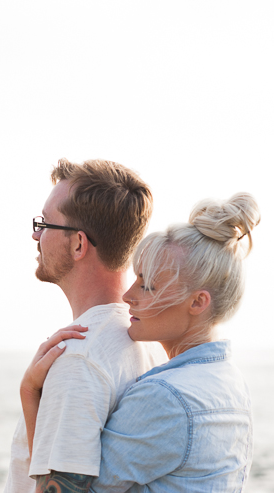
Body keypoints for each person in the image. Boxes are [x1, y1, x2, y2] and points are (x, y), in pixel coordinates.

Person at [20, 192, 260, 492]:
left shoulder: (165, 398)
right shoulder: (230, 382)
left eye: (147, 286)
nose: (128, 295)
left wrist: (30, 393)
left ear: (198, 302)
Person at [4, 159, 168, 492]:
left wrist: (29, 394)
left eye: (45, 224)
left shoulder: (80, 357)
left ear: (78, 244)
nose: (36, 234)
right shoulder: (149, 340)